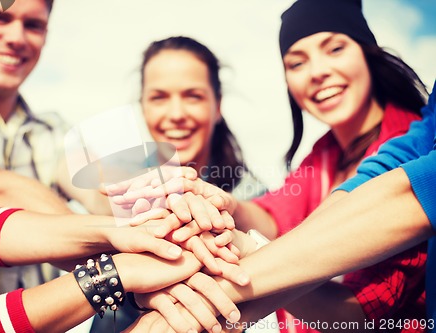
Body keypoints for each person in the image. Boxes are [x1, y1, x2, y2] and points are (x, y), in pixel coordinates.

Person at [116, 0, 430, 331]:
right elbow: (275, 217)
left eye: (335, 48)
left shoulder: (412, 151)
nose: (317, 71)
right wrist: (221, 203)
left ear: (369, 52)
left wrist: (242, 260)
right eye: (296, 63)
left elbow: (362, 312)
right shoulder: (323, 156)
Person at [0, 129, 245, 333]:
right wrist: (115, 272)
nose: (15, 36)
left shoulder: (49, 127)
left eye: (33, 24)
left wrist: (162, 202)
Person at [0, 0, 114, 312]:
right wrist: (116, 253)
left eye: (33, 25)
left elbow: (104, 191)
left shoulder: (54, 131)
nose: (17, 37)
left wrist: (143, 202)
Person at [140, 36, 265, 200]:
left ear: (218, 106)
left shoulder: (253, 201)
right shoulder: (112, 188)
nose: (176, 114)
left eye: (193, 96)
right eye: (159, 98)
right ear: (142, 106)